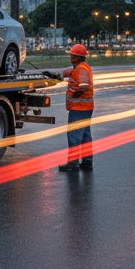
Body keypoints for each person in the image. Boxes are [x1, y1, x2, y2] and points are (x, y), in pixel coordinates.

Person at [59, 43, 94, 172]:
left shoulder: (81, 69)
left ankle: (73, 163)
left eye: (72, 55)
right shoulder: (79, 67)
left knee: (74, 136)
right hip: (85, 108)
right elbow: (67, 72)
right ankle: (87, 162)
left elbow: (84, 86)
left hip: (79, 108)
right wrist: (54, 75)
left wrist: (74, 95)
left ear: (77, 57)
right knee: (85, 136)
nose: (71, 57)